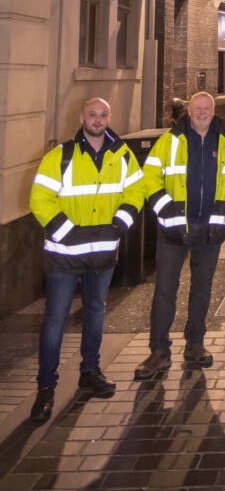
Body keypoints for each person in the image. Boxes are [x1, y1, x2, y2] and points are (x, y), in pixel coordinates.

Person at [29, 97, 145, 421]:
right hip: (64, 256)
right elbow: (40, 200)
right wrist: (68, 233)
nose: (97, 119)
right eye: (92, 114)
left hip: (103, 254)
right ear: (82, 117)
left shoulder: (121, 155)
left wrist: (121, 222)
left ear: (109, 117)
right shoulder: (61, 156)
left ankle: (89, 372)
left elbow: (136, 191)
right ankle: (45, 389)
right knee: (55, 320)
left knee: (95, 313)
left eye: (103, 114)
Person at [134, 92, 225, 379]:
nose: (202, 113)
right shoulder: (170, 140)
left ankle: (195, 344)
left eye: (207, 108)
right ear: (189, 111)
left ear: (213, 110)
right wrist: (165, 211)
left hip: (210, 229)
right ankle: (159, 351)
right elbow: (149, 178)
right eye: (198, 109)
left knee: (202, 289)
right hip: (173, 230)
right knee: (165, 292)